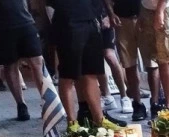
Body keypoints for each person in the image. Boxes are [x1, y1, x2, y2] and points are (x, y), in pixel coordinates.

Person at [47, 0, 118, 130]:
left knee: (91, 73)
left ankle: (99, 119)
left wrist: (108, 13)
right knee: (68, 75)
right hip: (68, 21)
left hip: (91, 19)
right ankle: (72, 123)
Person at [0, 0, 46, 121]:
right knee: (10, 65)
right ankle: (21, 104)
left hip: (25, 21)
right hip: (2, 26)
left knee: (37, 61)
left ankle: (47, 102)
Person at [109, 0, 154, 120]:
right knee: (129, 64)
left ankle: (155, 102)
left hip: (145, 16)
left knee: (152, 63)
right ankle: (137, 104)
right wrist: (111, 13)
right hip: (122, 19)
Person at [97, 8, 132, 114]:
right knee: (96, 58)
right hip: (88, 20)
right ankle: (107, 96)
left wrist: (110, 15)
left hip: (103, 17)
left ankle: (124, 97)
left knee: (110, 56)